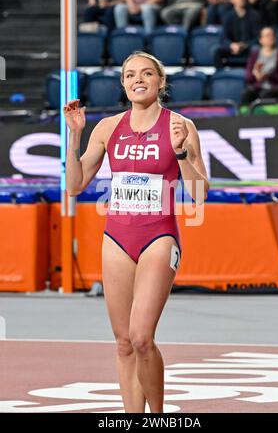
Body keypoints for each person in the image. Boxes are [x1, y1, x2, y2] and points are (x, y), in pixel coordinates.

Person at [63, 51, 209, 413]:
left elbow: (201, 194)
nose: (137, 80)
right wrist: (75, 137)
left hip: (158, 236)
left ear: (160, 81)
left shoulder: (180, 126)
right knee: (124, 342)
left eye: (146, 74)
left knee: (143, 338)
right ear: (123, 83)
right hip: (116, 236)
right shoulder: (109, 127)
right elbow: (74, 185)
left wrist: (179, 155)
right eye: (130, 75)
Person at [213, 0, 261, 68]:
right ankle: (220, 76)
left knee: (256, 49)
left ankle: (252, 75)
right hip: (233, 48)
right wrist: (231, 45)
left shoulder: (254, 15)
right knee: (215, 50)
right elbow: (223, 38)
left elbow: (258, 38)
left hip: (248, 48)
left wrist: (245, 45)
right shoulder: (228, 17)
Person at [241, 27, 278, 104]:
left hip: (275, 87)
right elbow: (248, 77)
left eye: (272, 35)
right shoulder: (255, 54)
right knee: (246, 94)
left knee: (264, 95)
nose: (271, 37)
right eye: (267, 35)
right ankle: (245, 116)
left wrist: (268, 76)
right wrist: (255, 73)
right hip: (258, 86)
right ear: (261, 40)